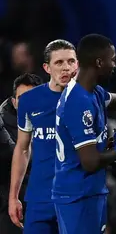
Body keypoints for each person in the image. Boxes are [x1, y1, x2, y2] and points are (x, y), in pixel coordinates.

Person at [53, 34, 116, 234]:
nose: (114, 64)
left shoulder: (93, 92)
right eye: (111, 59)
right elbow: (90, 162)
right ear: (98, 62)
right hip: (77, 197)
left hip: (89, 192)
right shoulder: (78, 102)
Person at [8, 40, 78, 234]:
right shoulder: (30, 101)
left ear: (78, 64)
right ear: (47, 67)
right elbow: (22, 148)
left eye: (71, 61)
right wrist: (13, 197)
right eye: (59, 62)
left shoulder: (91, 97)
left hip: (77, 197)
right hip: (40, 198)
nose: (66, 68)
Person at [0, 73, 42, 234]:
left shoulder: (54, 118)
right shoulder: (2, 122)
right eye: (22, 98)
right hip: (9, 199)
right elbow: (15, 157)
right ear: (14, 102)